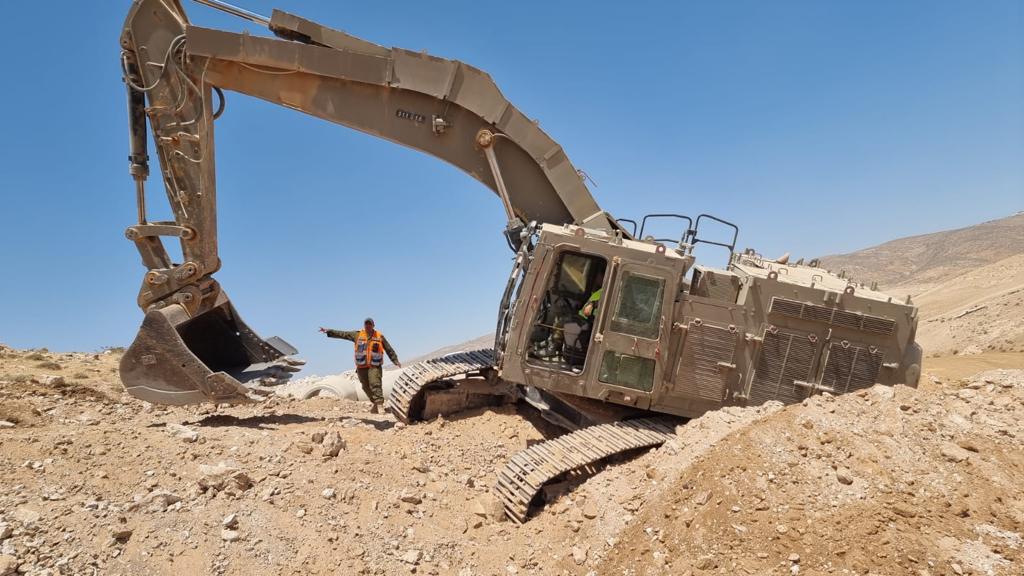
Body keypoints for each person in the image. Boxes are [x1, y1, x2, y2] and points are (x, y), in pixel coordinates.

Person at [319, 318, 401, 414]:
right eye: (366, 324)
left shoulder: (379, 336)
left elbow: (388, 349)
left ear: (373, 325)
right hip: (361, 366)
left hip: (374, 366)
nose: (368, 326)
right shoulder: (357, 335)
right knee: (365, 387)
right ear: (364, 325)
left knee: (375, 384)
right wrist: (329, 331)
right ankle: (375, 403)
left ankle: (379, 405)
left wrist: (395, 360)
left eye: (369, 324)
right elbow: (343, 334)